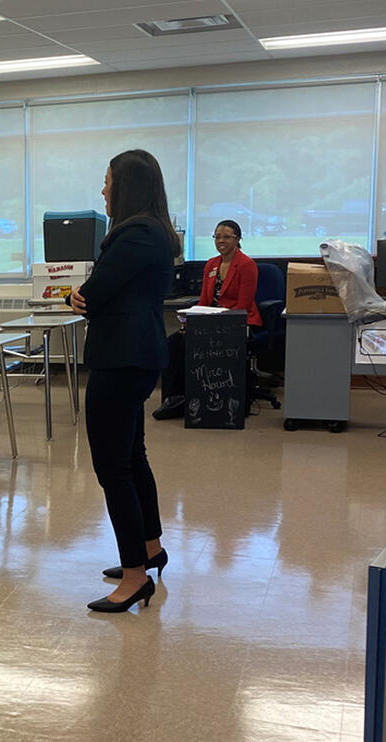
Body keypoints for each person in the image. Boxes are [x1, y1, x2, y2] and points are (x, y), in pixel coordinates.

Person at [68, 149, 177, 613]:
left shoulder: (134, 234)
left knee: (112, 467)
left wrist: (79, 295)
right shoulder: (155, 232)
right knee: (132, 457)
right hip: (138, 355)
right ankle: (149, 549)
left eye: (108, 181)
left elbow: (94, 294)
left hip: (121, 359)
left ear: (126, 186)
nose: (103, 190)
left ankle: (135, 576)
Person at [153, 219, 261, 420]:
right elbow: (204, 301)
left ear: (237, 239)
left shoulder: (247, 265)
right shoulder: (211, 264)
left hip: (237, 322)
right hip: (208, 322)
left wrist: (213, 322)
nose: (221, 241)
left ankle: (198, 398)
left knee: (189, 343)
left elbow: (243, 306)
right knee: (173, 343)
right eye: (217, 237)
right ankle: (174, 399)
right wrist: (190, 321)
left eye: (226, 237)